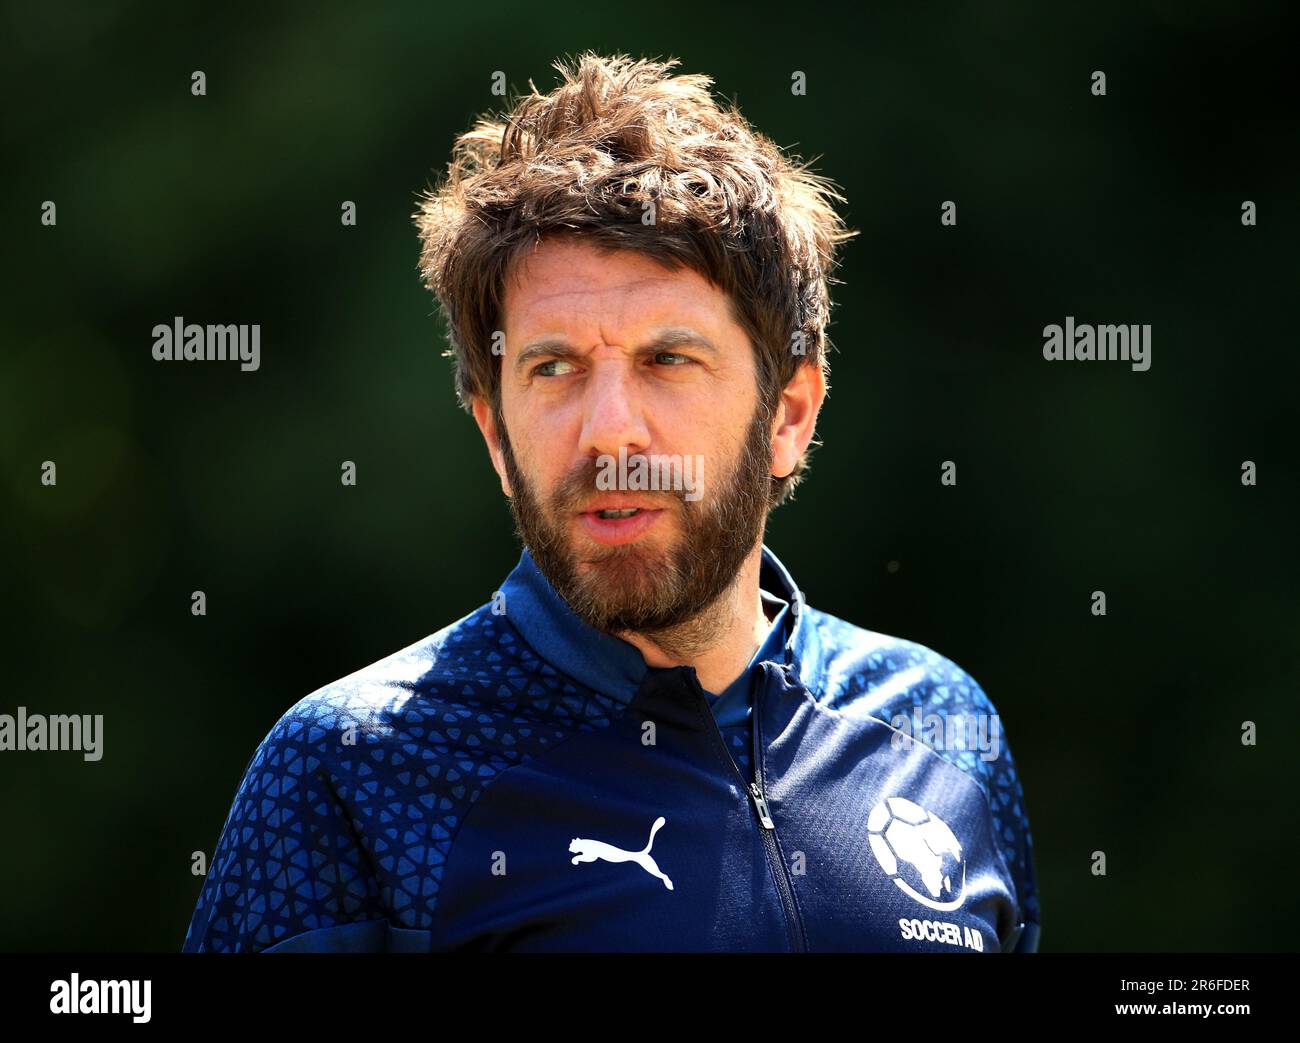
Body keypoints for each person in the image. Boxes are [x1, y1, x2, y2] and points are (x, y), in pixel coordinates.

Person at [182, 51, 1039, 953]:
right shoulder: (350, 771)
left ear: (787, 414)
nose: (610, 432)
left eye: (668, 360)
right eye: (554, 368)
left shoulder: (941, 729)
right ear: (495, 436)